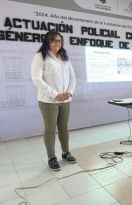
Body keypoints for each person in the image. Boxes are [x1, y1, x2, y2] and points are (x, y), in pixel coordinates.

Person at [31, 31, 77, 171]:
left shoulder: (65, 58)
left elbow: (73, 78)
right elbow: (36, 79)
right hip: (48, 100)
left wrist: (69, 92)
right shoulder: (40, 57)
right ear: (47, 41)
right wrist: (56, 94)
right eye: (54, 40)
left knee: (63, 127)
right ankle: (51, 157)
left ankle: (65, 152)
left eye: (60, 41)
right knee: (50, 129)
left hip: (65, 99)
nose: (58, 43)